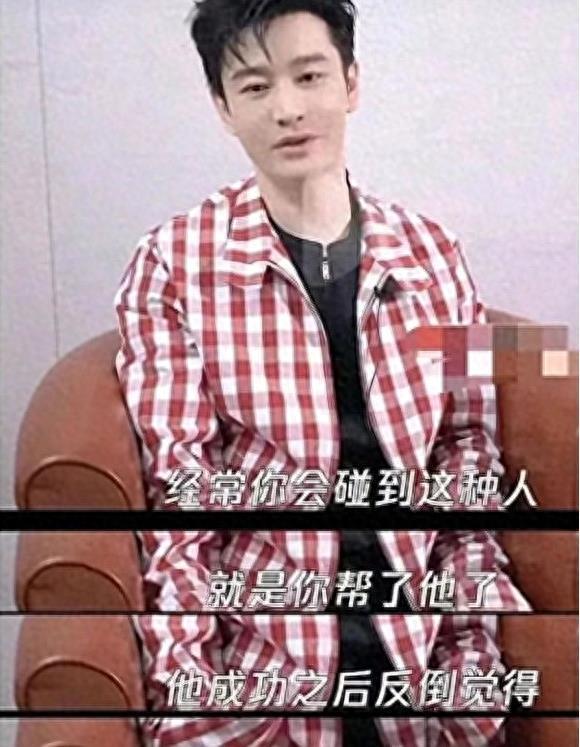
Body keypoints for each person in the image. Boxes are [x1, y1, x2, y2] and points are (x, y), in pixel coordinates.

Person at [114, 1, 530, 744]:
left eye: (309, 76)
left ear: (351, 82)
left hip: (419, 685)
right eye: (255, 86)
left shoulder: (436, 255)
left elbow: (467, 464)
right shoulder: (173, 267)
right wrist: (197, 715)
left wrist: (470, 679)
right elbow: (178, 508)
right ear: (223, 107)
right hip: (267, 688)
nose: (288, 109)